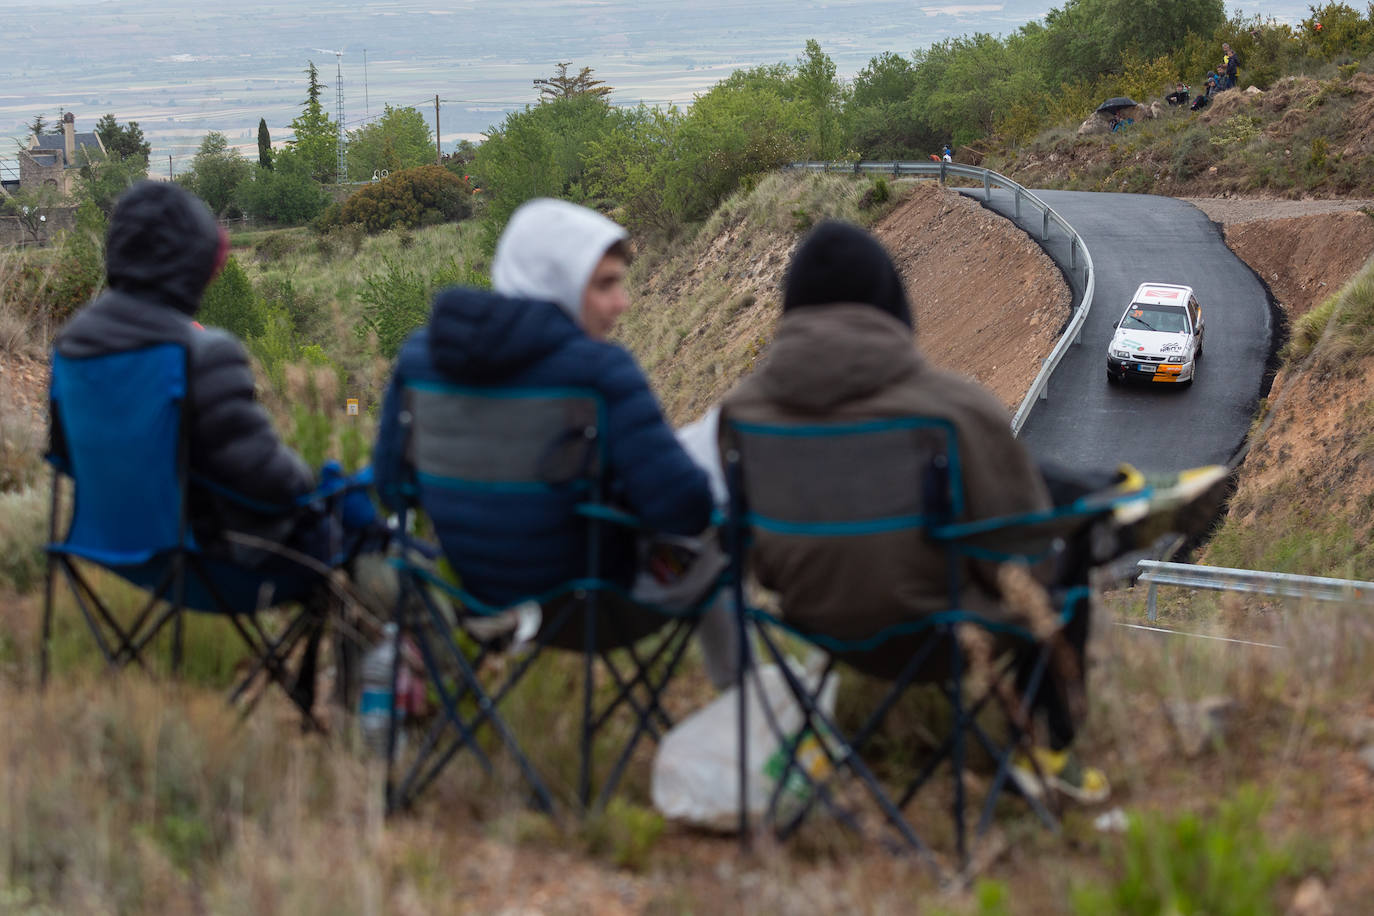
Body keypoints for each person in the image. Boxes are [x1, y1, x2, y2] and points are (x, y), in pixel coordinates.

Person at [718, 221, 1229, 802]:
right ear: (892, 308)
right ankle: (1047, 746)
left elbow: (752, 553)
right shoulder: (951, 408)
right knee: (1062, 539)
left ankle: (1121, 496)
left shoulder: (740, 415)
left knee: (989, 488)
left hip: (816, 627)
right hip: (941, 637)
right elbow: (1026, 545)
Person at [373, 198, 737, 684]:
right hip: (592, 605)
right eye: (604, 284)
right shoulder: (598, 372)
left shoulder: (419, 360)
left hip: (475, 598)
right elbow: (684, 510)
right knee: (727, 515)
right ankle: (746, 694)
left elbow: (390, 485)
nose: (622, 303)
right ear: (557, 282)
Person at [52, 181, 353, 570]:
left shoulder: (70, 344)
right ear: (194, 266)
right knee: (353, 517)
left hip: (110, 546)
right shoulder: (202, 353)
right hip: (210, 561)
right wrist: (318, 478)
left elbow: (63, 456)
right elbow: (275, 481)